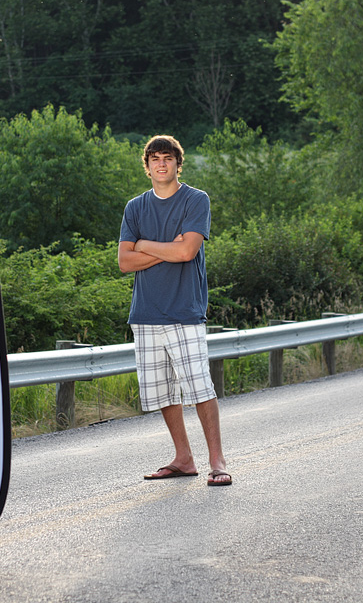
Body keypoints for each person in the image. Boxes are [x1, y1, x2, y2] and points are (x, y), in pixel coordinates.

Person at [118, 134, 231, 486]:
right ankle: (183, 458)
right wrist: (168, 248)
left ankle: (217, 461)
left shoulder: (196, 200)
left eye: (167, 158)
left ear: (178, 164)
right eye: (155, 159)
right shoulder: (135, 207)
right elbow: (124, 262)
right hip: (146, 313)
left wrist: (144, 246)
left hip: (184, 311)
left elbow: (187, 252)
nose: (161, 164)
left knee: (199, 387)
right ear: (147, 166)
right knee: (162, 392)